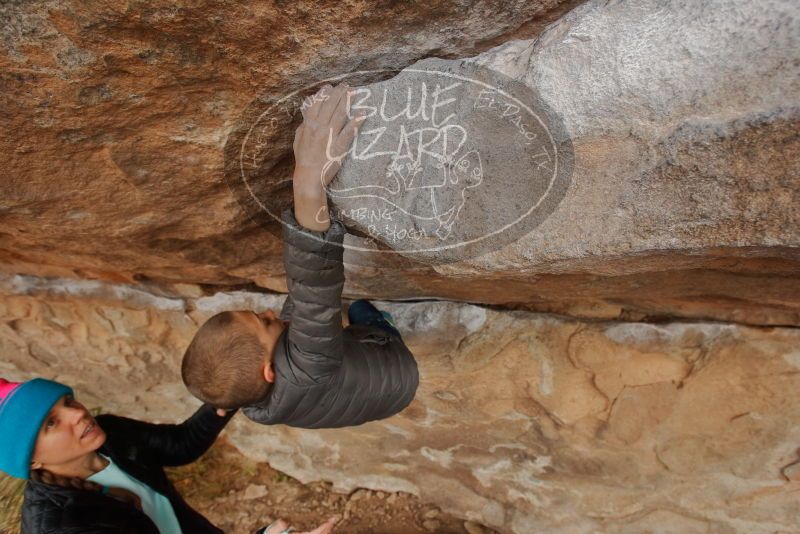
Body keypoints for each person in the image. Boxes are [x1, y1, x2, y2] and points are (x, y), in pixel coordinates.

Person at [181, 82, 420, 428]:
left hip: (368, 398)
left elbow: (300, 314)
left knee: (319, 319)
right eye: (262, 322)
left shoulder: (255, 401)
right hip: (395, 371)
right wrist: (308, 180)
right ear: (269, 371)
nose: (266, 311)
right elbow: (312, 289)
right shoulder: (308, 364)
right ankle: (387, 332)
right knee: (358, 309)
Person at [0, 377, 337, 533]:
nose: (77, 414)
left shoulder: (109, 434)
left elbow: (179, 444)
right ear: (30, 460)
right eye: (51, 423)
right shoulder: (63, 527)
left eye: (68, 402)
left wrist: (232, 393)